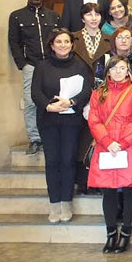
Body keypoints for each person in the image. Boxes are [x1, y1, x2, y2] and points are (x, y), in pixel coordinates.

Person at [87, 56, 132, 253]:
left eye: (122, 68)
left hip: (128, 146)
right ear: (108, 71)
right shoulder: (98, 92)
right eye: (114, 68)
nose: (118, 72)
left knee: (129, 191)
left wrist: (121, 143)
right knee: (108, 192)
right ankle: (111, 233)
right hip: (106, 146)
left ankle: (126, 234)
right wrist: (107, 141)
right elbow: (94, 120)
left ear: (128, 70)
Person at [31, 28, 93, 223]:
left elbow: (87, 89)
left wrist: (72, 102)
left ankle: (66, 203)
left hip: (71, 120)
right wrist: (48, 106)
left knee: (67, 160)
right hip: (48, 119)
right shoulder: (42, 66)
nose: (63, 45)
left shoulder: (80, 65)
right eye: (59, 42)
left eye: (66, 42)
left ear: (72, 45)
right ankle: (54, 204)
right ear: (52, 45)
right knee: (52, 161)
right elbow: (35, 92)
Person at [8, 0, 60, 155]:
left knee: (53, 100)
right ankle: (35, 138)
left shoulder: (54, 16)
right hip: (31, 64)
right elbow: (14, 41)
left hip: (52, 64)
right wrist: (22, 63)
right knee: (31, 102)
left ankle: (51, 136)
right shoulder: (17, 16)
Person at [72, 2, 112, 85]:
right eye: (89, 15)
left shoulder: (110, 39)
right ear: (83, 19)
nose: (94, 18)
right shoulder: (73, 38)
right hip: (78, 82)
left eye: (97, 14)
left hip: (102, 84)